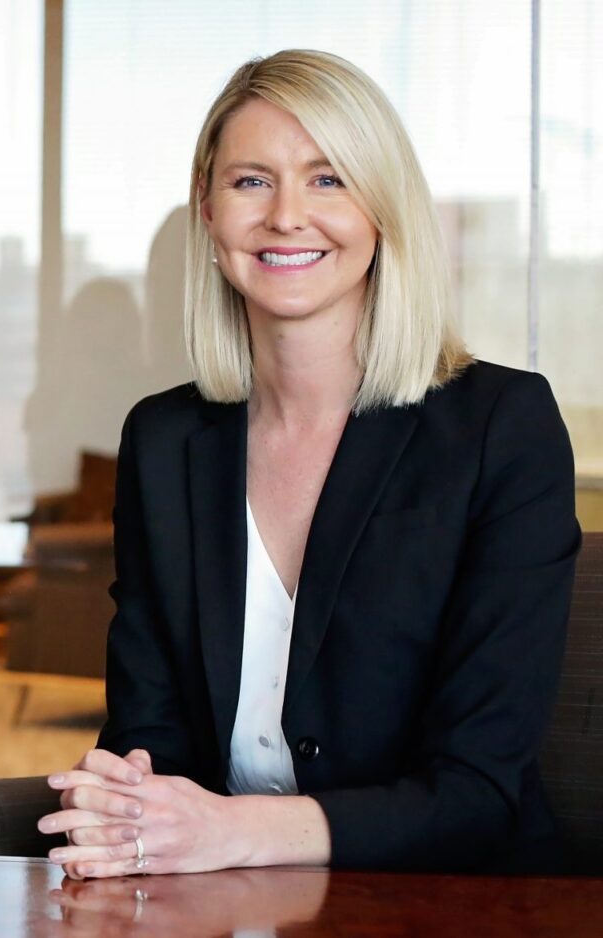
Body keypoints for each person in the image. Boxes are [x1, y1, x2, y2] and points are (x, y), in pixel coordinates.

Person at [39, 49, 578, 877]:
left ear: (383, 211)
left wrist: (232, 831)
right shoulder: (163, 441)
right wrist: (128, 800)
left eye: (329, 180)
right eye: (252, 181)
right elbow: (150, 734)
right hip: (213, 902)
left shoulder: (499, 427)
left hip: (448, 905)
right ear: (208, 211)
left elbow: (479, 789)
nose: (288, 215)